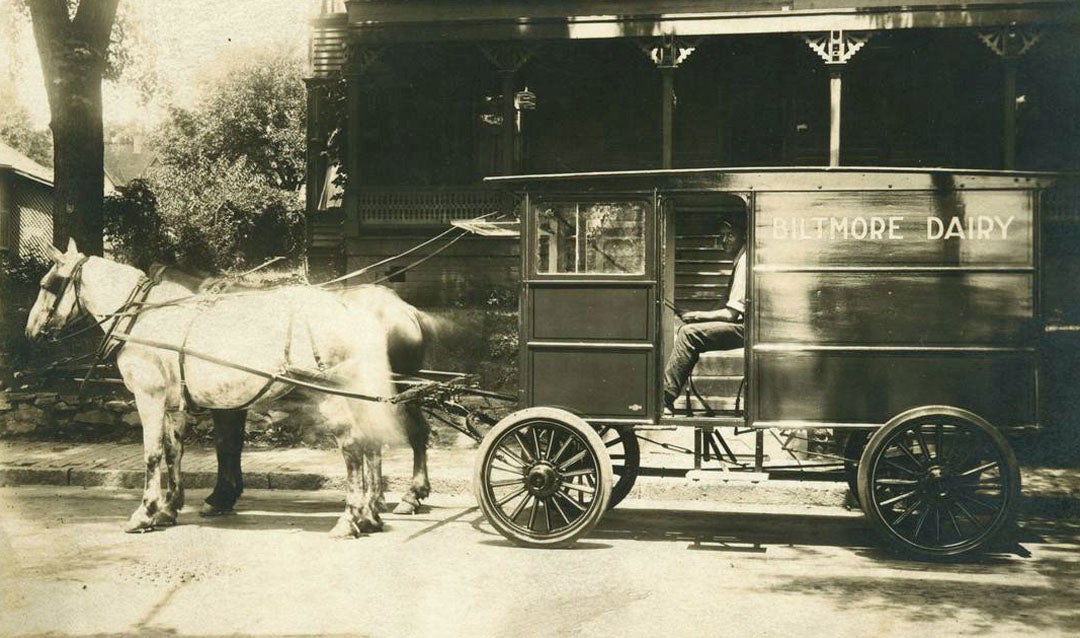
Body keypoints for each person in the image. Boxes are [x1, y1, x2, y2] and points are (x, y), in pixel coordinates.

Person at [663, 225, 746, 416]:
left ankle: (665, 398)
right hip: (744, 326)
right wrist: (696, 314)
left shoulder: (745, 262)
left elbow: (730, 315)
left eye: (730, 235)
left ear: (743, 236)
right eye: (722, 235)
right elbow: (724, 304)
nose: (724, 240)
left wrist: (697, 316)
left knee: (687, 334)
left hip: (744, 328)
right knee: (691, 329)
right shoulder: (740, 260)